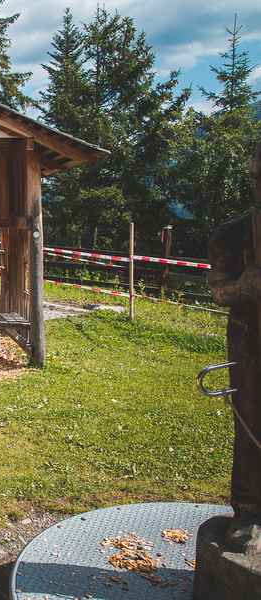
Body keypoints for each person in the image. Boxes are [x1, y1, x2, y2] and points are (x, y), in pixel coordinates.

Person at [206, 140, 261, 553]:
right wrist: (250, 284)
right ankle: (248, 510)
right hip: (251, 345)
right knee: (251, 425)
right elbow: (219, 290)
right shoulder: (231, 234)